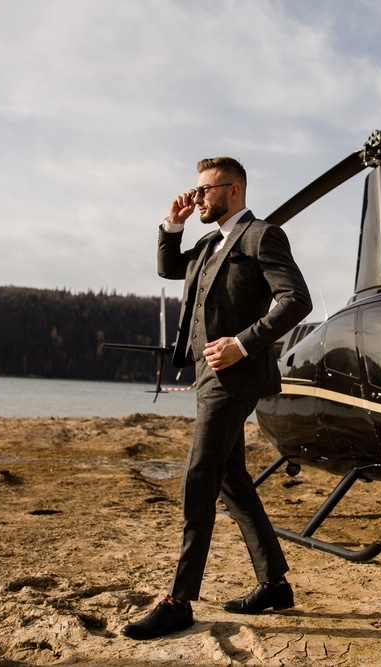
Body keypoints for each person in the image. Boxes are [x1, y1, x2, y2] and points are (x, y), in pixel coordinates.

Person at [121, 157, 312, 640]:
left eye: (206, 190)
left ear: (235, 191)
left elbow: (296, 300)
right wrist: (173, 225)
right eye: (197, 189)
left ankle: (178, 600)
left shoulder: (261, 236)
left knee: (199, 476)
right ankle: (274, 583)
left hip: (236, 373)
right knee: (231, 479)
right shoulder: (208, 242)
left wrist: (242, 343)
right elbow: (169, 270)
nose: (198, 196)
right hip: (209, 372)